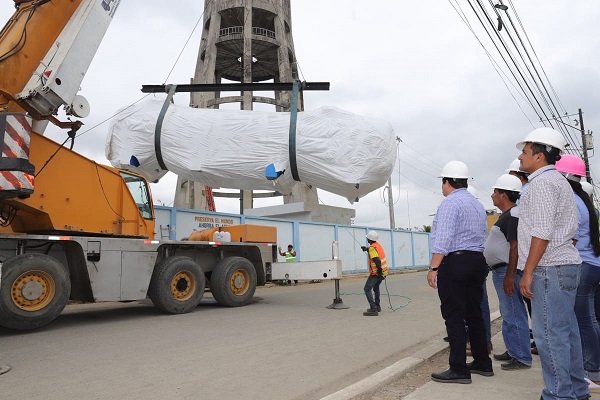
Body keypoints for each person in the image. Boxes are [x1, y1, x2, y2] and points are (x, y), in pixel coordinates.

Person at [516, 127, 589, 400]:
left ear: (539, 155)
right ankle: (577, 391)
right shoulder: (557, 182)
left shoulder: (543, 183)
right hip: (562, 267)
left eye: (524, 152)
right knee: (567, 334)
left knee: (549, 336)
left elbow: (542, 231)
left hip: (549, 269)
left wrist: (529, 272)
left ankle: (559, 395)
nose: (521, 157)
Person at [427, 160, 493, 384]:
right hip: (477, 261)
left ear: (446, 182)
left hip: (455, 263)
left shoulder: (449, 203)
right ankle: (483, 362)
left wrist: (434, 267)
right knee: (474, 313)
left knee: (454, 315)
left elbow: (443, 238)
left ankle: (458, 369)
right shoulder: (476, 204)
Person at [556, 155, 600, 394]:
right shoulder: (584, 201)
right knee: (589, 321)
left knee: (582, 322)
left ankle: (593, 373)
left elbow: (568, 237)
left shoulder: (571, 201)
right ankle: (594, 370)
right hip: (593, 264)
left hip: (582, 266)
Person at [485, 174, 532, 370]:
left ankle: (521, 356)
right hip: (502, 270)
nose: (492, 195)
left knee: (513, 312)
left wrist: (510, 276)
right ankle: (514, 350)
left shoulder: (513, 215)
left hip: (506, 271)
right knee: (508, 312)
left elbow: (515, 246)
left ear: (504, 195)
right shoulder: (508, 215)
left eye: (495, 191)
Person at [361, 230, 388, 316]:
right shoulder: (377, 245)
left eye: (367, 238)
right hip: (384, 272)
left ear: (369, 239)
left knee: (367, 289)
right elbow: (373, 251)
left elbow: (377, 260)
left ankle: (373, 308)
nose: (367, 239)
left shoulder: (372, 248)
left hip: (377, 273)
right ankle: (377, 306)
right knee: (376, 287)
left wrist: (379, 272)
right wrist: (366, 249)